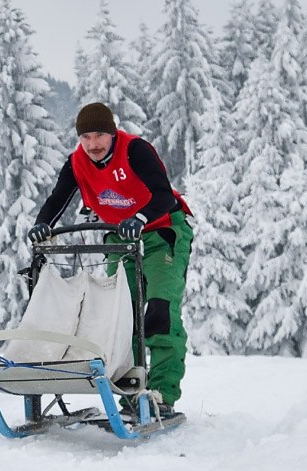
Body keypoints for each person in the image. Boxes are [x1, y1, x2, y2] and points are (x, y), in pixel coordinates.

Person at [28, 102, 193, 413]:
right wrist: (42, 224)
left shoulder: (135, 151)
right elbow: (58, 199)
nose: (93, 144)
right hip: (121, 241)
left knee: (159, 312)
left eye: (100, 135)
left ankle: (161, 393)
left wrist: (141, 218)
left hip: (162, 233)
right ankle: (132, 394)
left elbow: (164, 195)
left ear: (113, 133)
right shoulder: (77, 163)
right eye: (86, 137)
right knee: (122, 317)